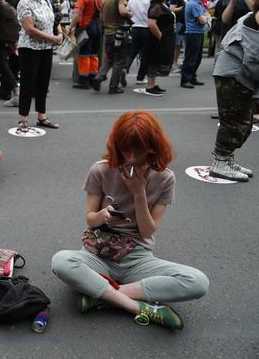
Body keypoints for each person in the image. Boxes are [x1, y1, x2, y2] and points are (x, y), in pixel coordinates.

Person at [51, 111, 209, 330]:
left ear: (153, 149)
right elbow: (90, 218)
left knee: (198, 282)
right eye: (126, 151)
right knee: (61, 261)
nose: (132, 158)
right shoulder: (101, 169)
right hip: (99, 253)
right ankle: (138, 307)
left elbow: (147, 231)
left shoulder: (165, 178)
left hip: (138, 257)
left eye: (140, 152)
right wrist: (102, 215)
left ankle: (102, 295)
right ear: (117, 147)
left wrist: (139, 193)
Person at [207, 0, 259, 181]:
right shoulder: (252, 21)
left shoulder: (250, 18)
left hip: (237, 74)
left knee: (242, 123)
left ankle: (226, 159)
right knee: (233, 122)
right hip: (234, 74)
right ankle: (220, 162)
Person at [14, 0, 62, 132]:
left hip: (46, 48)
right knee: (28, 84)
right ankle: (23, 118)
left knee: (43, 83)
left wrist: (60, 32)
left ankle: (42, 116)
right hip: (30, 49)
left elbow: (53, 21)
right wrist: (53, 38)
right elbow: (30, 30)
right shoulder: (24, 3)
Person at [96, 0, 133, 94]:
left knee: (109, 58)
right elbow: (122, 11)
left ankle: (99, 76)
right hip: (119, 33)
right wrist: (130, 13)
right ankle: (113, 86)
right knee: (119, 61)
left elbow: (101, 17)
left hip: (108, 32)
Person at [68, 0, 104, 90]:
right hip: (98, 27)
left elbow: (77, 14)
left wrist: (71, 27)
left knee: (84, 54)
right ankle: (93, 78)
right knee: (94, 54)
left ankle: (84, 81)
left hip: (86, 28)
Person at [145, 0, 176, 96]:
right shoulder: (156, 6)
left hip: (162, 37)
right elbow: (151, 23)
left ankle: (152, 84)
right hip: (156, 39)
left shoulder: (161, 4)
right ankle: (150, 85)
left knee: (155, 60)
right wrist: (160, 35)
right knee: (153, 60)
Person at [125, 0, 154, 85]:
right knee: (146, 54)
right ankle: (140, 77)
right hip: (148, 28)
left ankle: (125, 68)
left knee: (132, 51)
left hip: (135, 27)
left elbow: (127, 11)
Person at [181, 0, 209, 89]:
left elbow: (205, 14)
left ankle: (192, 77)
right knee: (191, 58)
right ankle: (185, 80)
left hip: (198, 33)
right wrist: (206, 17)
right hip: (193, 33)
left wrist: (205, 16)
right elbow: (202, 20)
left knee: (197, 58)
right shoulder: (193, 4)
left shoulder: (198, 3)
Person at [168, 0, 189, 72]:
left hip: (185, 22)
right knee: (176, 44)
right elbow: (171, 9)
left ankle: (177, 62)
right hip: (178, 22)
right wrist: (182, 8)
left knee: (181, 44)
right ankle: (173, 64)